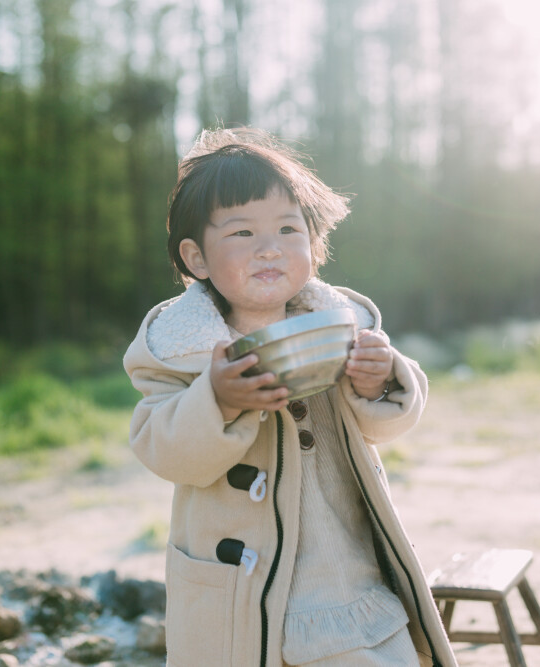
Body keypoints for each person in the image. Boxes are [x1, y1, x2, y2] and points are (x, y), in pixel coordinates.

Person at [123, 128, 456, 667]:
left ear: (313, 244)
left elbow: (388, 423)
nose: (269, 246)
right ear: (197, 257)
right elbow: (162, 450)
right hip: (241, 597)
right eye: (242, 232)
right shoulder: (179, 349)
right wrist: (219, 400)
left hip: (346, 577)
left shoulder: (336, 324)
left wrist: (378, 380)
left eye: (286, 227)